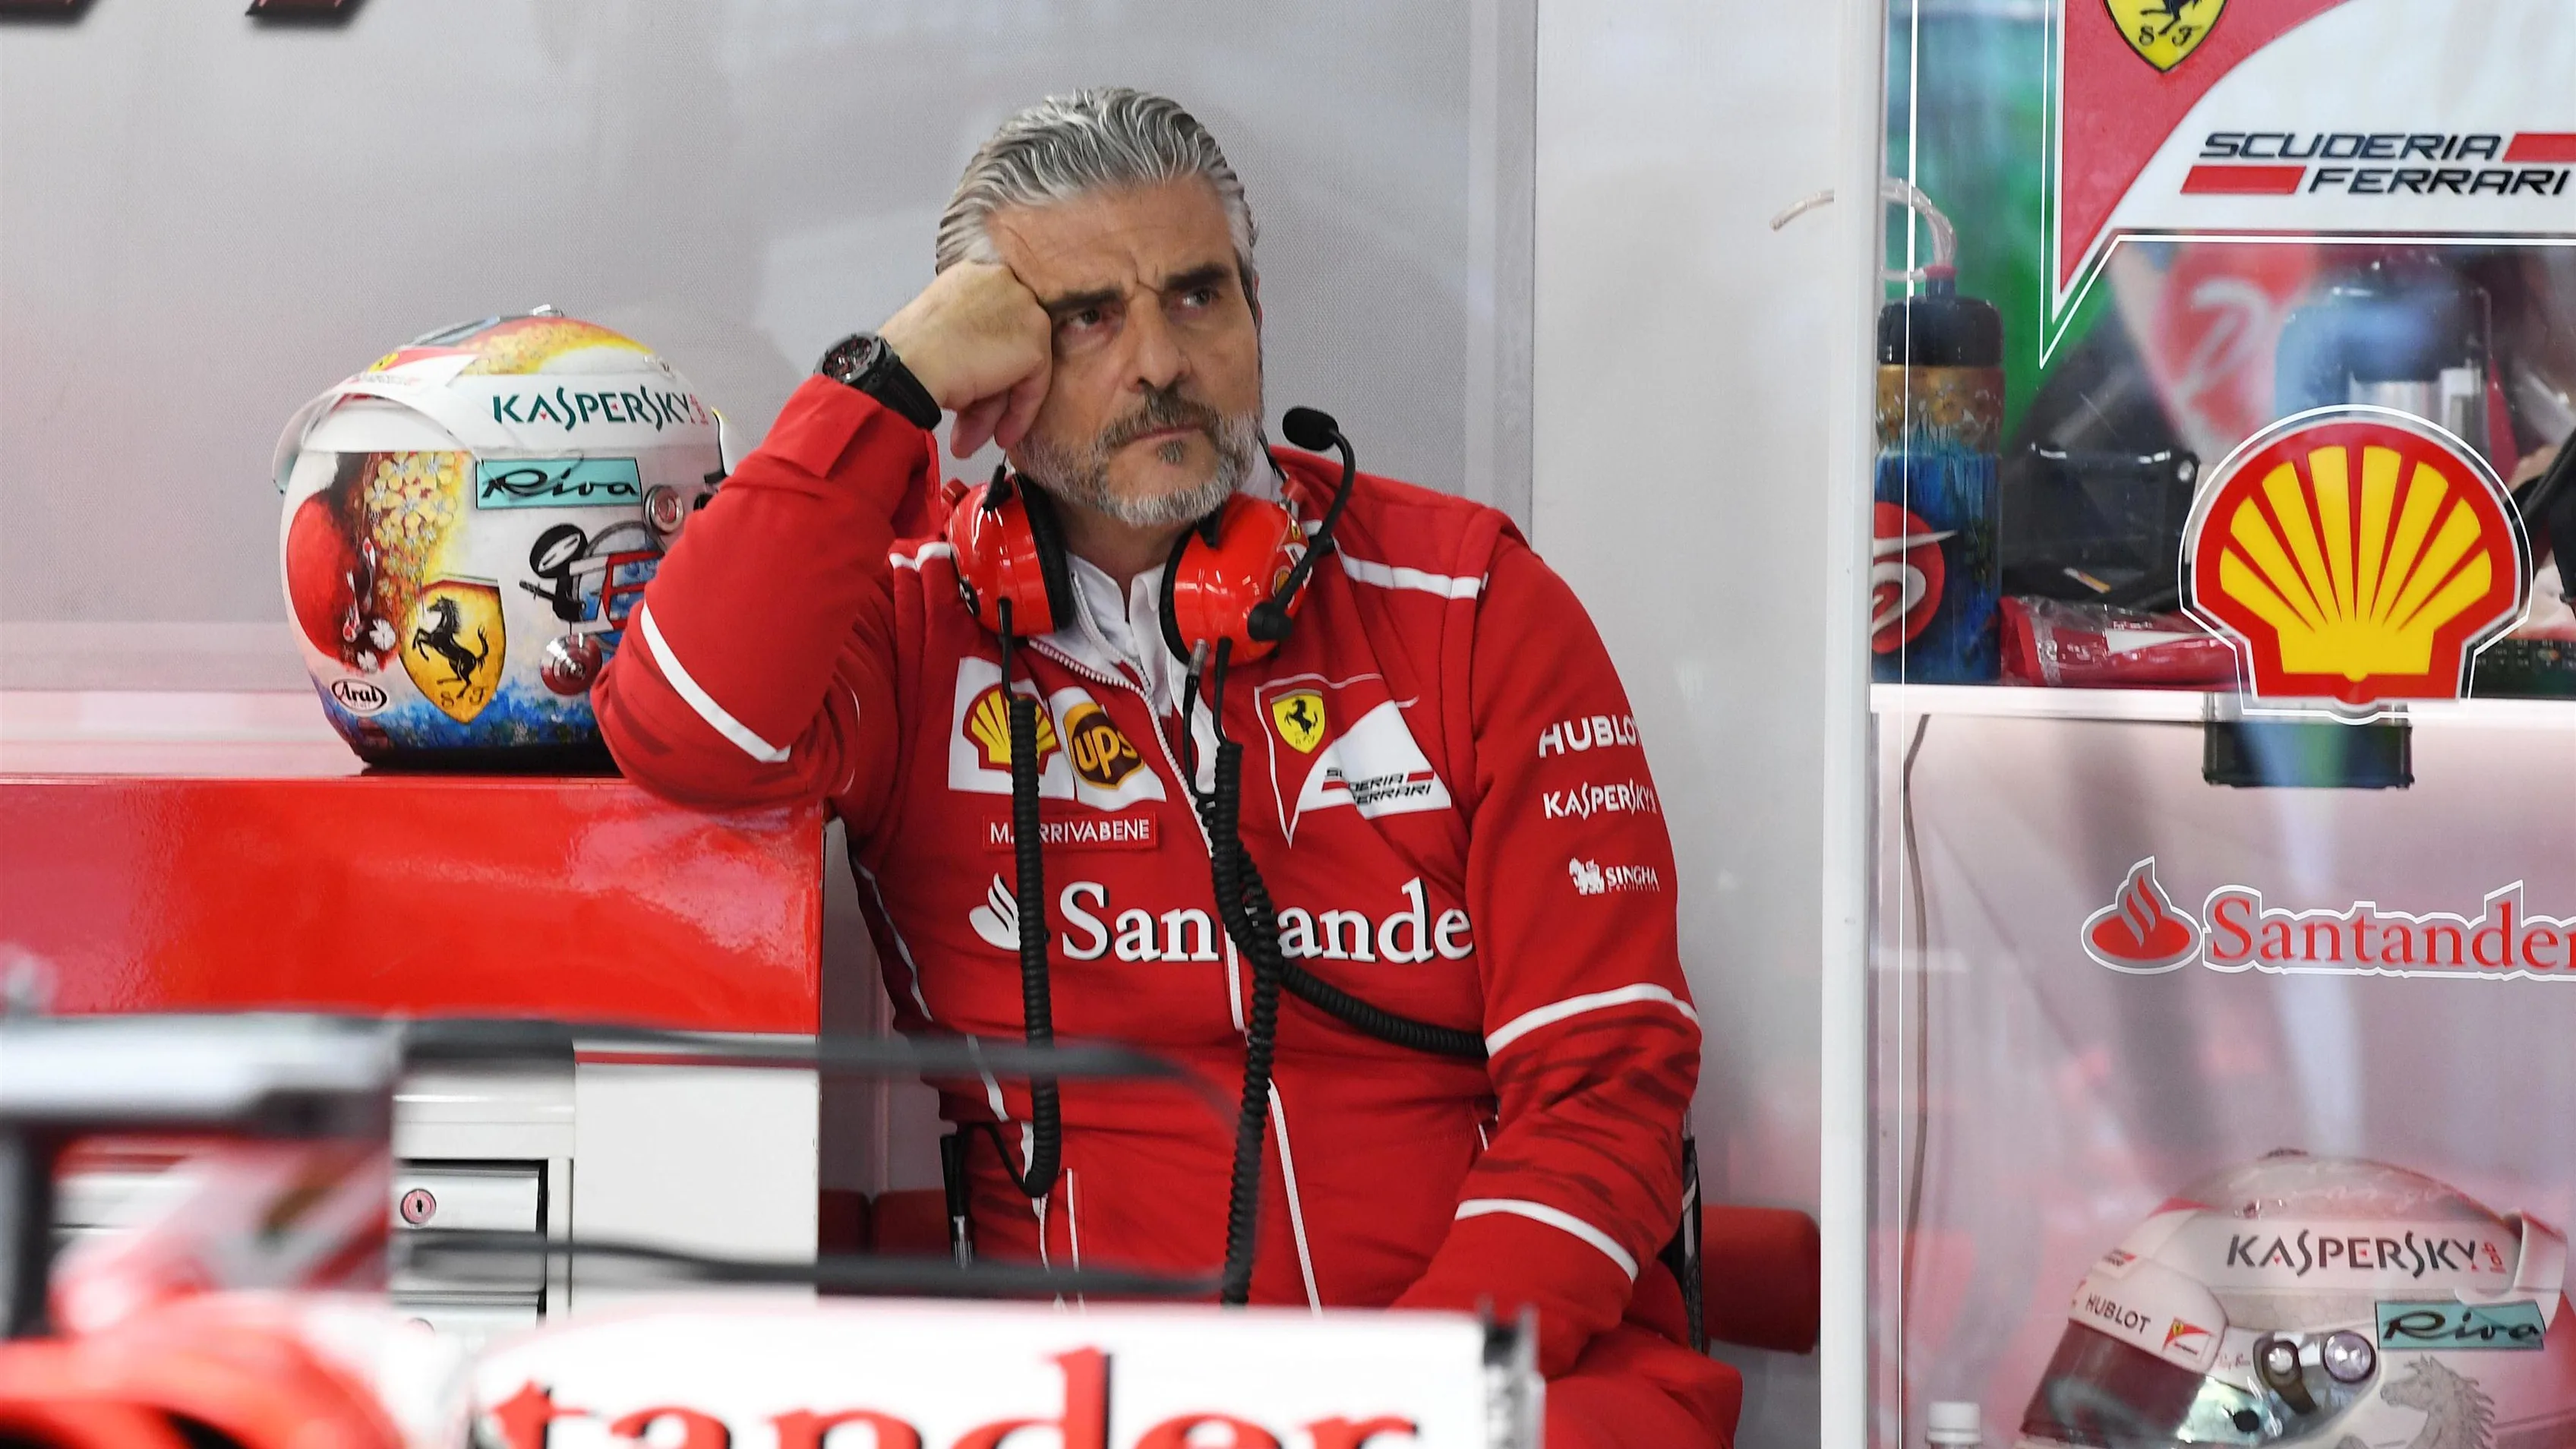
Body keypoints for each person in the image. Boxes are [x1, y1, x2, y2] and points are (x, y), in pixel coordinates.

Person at [595, 87, 1735, 1448]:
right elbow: (683, 726)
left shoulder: (1467, 598)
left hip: (1502, 1390)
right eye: (1085, 318)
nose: (1158, 363)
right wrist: (884, 387)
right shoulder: (906, 625)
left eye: (1198, 298)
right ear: (991, 374)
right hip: (1088, 1408)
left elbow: (1605, 1085)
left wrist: (1402, 1408)